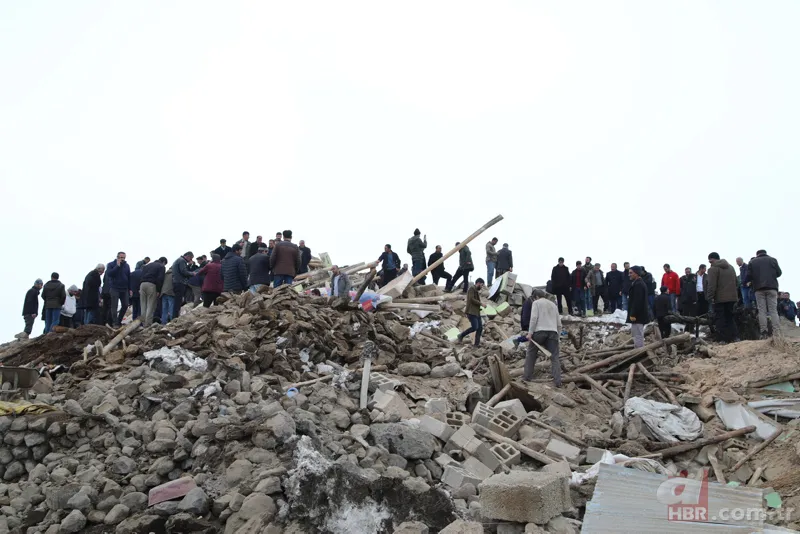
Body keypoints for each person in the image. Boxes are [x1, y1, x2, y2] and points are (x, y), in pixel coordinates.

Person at [523, 289, 562, 387]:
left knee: (531, 354)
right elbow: (559, 323)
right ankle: (558, 382)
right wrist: (558, 336)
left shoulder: (536, 303)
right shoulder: (553, 305)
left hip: (539, 332)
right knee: (555, 357)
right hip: (553, 332)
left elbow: (533, 318)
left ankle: (527, 378)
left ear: (536, 296)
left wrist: (530, 333)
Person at [706, 252, 739, 343]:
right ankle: (735, 337)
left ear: (712, 259)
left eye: (710, 261)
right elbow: (736, 282)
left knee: (720, 318)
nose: (710, 263)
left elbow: (712, 285)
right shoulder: (731, 267)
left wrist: (709, 297)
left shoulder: (713, 269)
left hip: (720, 298)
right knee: (730, 317)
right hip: (732, 297)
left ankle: (723, 339)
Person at [749, 249, 783, 338]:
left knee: (762, 311)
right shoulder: (773, 260)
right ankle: (777, 332)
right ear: (765, 253)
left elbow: (749, 275)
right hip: (772, 287)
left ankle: (764, 331)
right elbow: (779, 273)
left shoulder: (752, 262)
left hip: (759, 288)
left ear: (757, 255)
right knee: (773, 310)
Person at [457, 278, 485, 346]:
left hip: (477, 312)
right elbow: (471, 299)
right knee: (475, 327)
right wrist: (481, 303)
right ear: (478, 283)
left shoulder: (475, 290)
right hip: (471, 312)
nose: (481, 287)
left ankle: (476, 345)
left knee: (480, 328)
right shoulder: (471, 289)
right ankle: (461, 335)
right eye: (481, 285)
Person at [106, 252, 131, 327]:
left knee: (125, 305)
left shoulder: (127, 266)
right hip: (114, 288)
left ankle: (119, 320)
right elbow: (109, 274)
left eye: (123, 257)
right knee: (114, 306)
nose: (122, 259)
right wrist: (117, 266)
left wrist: (130, 289)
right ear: (117, 257)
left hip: (124, 289)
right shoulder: (111, 264)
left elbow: (129, 277)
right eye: (120, 257)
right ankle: (115, 322)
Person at [140, 257, 167, 327]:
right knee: (150, 305)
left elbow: (141, 275)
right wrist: (158, 290)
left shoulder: (146, 266)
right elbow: (160, 279)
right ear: (163, 262)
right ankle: (148, 324)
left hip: (142, 285)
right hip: (152, 285)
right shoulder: (161, 266)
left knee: (143, 305)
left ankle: (142, 323)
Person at [627, 266, 649, 348]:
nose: (629, 275)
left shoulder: (639, 284)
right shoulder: (637, 283)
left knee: (638, 335)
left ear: (636, 273)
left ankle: (639, 353)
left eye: (631, 273)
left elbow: (637, 301)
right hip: (638, 315)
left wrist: (633, 314)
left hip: (638, 316)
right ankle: (638, 351)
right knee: (636, 334)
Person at [170, 252, 194, 321]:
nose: (190, 260)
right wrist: (192, 273)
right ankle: (175, 318)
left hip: (176, 282)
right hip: (180, 283)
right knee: (178, 301)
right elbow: (184, 271)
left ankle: (174, 317)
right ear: (188, 256)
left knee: (177, 301)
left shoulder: (178, 260)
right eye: (191, 258)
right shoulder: (182, 261)